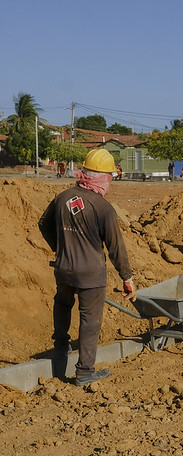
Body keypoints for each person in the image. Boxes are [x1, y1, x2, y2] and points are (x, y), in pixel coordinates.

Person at [38, 149, 136, 386]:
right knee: (90, 320)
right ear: (103, 177)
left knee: (62, 305)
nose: (111, 180)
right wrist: (127, 278)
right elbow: (116, 248)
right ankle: (84, 371)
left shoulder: (63, 197)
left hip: (63, 268)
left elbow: (43, 224)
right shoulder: (103, 208)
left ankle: (60, 348)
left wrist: (59, 247)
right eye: (110, 176)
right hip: (90, 274)